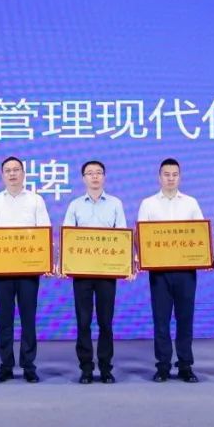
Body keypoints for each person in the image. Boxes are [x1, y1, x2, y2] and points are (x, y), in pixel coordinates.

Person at [0, 157, 51, 383]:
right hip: (2, 269)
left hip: (28, 270)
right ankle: (5, 366)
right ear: (2, 175)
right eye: (8, 170)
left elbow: (45, 231)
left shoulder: (36, 200)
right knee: (4, 320)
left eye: (16, 170)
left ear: (24, 173)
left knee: (28, 319)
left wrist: (47, 260)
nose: (12, 174)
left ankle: (29, 366)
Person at [62, 160, 130, 384]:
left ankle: (106, 367)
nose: (94, 176)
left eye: (98, 172)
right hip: (81, 273)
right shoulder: (75, 205)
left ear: (104, 177)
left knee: (105, 322)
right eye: (90, 173)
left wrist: (126, 265)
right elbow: (67, 238)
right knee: (83, 322)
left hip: (106, 273)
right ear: (83, 178)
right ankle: (86, 368)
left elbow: (122, 237)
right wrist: (64, 264)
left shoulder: (115, 204)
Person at [137, 158, 204, 383]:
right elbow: (141, 236)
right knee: (161, 320)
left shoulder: (191, 203)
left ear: (180, 177)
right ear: (159, 177)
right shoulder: (148, 203)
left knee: (185, 319)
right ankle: (163, 366)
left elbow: (200, 235)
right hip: (160, 272)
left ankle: (186, 365)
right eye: (166, 174)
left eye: (175, 174)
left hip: (186, 271)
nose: (171, 178)